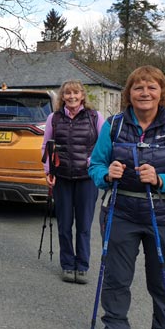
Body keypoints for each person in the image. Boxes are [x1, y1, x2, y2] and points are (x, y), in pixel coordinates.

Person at [88, 66, 165, 329]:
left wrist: (163, 179)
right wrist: (106, 173)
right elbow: (95, 165)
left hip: (163, 215)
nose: (145, 92)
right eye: (138, 87)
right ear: (129, 93)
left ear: (161, 92)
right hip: (120, 212)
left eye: (152, 87)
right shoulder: (113, 125)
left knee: (163, 282)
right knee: (116, 279)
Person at [41, 80, 103, 284]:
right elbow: (46, 147)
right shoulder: (54, 118)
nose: (72, 97)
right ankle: (67, 264)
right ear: (63, 97)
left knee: (84, 225)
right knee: (64, 225)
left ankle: (82, 265)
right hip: (62, 178)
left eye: (75, 93)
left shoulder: (95, 117)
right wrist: (49, 170)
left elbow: (104, 146)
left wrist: (92, 162)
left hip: (87, 179)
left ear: (82, 95)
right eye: (67, 93)